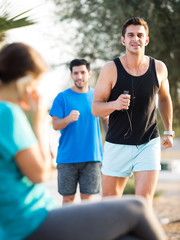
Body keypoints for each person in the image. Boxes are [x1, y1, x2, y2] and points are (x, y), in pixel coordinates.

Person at [0, 42, 167, 240]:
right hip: (30, 221)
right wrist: (38, 122)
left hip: (34, 215)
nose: (36, 91)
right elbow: (39, 173)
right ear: (23, 81)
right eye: (35, 83)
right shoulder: (8, 113)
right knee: (137, 207)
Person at [92, 17, 174, 206]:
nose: (135, 39)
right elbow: (96, 108)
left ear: (146, 40)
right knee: (109, 203)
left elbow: (164, 98)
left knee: (143, 203)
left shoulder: (159, 68)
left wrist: (168, 131)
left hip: (148, 142)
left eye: (140, 35)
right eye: (130, 35)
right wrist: (114, 104)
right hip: (117, 143)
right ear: (123, 40)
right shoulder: (110, 69)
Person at [49, 58, 108, 204]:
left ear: (89, 73)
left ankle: (85, 228)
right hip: (67, 158)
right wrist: (67, 119)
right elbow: (55, 125)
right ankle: (67, 228)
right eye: (76, 73)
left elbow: (106, 124)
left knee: (87, 201)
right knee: (68, 199)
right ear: (71, 75)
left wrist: (106, 119)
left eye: (82, 72)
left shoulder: (98, 96)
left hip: (92, 157)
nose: (79, 76)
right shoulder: (62, 98)